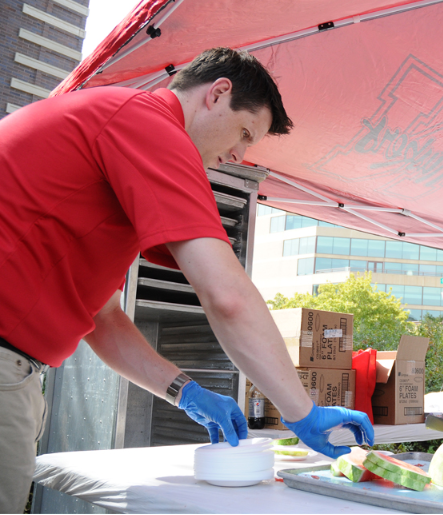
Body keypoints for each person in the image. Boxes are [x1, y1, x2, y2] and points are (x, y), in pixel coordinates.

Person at [0, 48, 373, 513]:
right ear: (218, 94)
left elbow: (103, 317)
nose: (237, 155)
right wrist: (303, 412)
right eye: (243, 133)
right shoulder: (147, 123)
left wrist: (184, 390)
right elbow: (227, 297)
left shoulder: (116, 131)